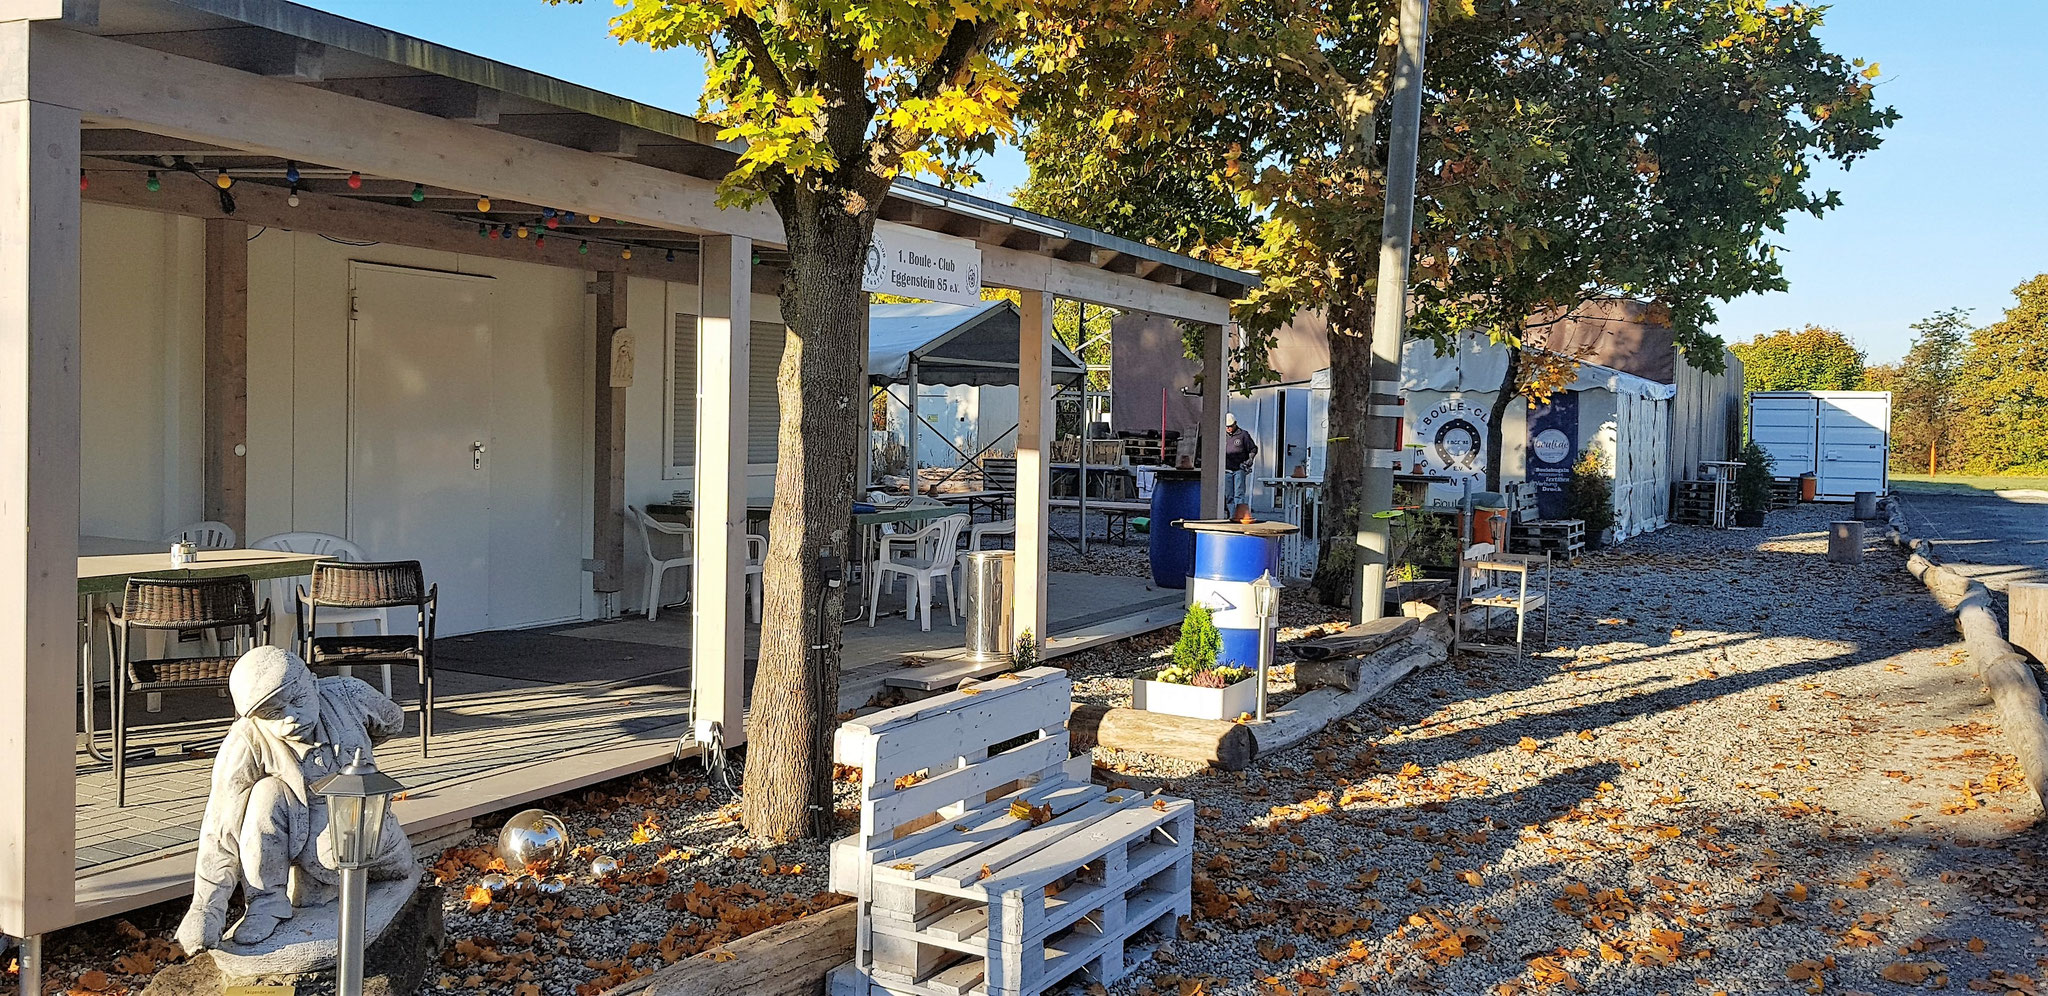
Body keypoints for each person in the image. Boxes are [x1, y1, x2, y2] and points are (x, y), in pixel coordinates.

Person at [176, 647, 417, 954]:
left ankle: (332, 883)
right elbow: (221, 825)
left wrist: (356, 750)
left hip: (363, 820)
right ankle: (266, 902)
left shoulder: (349, 694)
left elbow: (392, 720)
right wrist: (206, 909)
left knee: (333, 850)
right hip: (300, 817)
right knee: (266, 794)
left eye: (297, 699)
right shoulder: (246, 740)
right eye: (273, 713)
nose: (290, 717)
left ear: (313, 682)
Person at [1223, 412, 1259, 509]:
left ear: (1235, 423)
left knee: (1239, 494)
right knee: (1228, 496)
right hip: (1226, 469)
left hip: (1239, 468)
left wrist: (1250, 459)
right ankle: (1232, 515)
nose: (1228, 428)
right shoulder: (1222, 435)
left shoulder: (1243, 435)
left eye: (1230, 426)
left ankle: (1239, 514)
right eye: (1227, 426)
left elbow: (1253, 449)